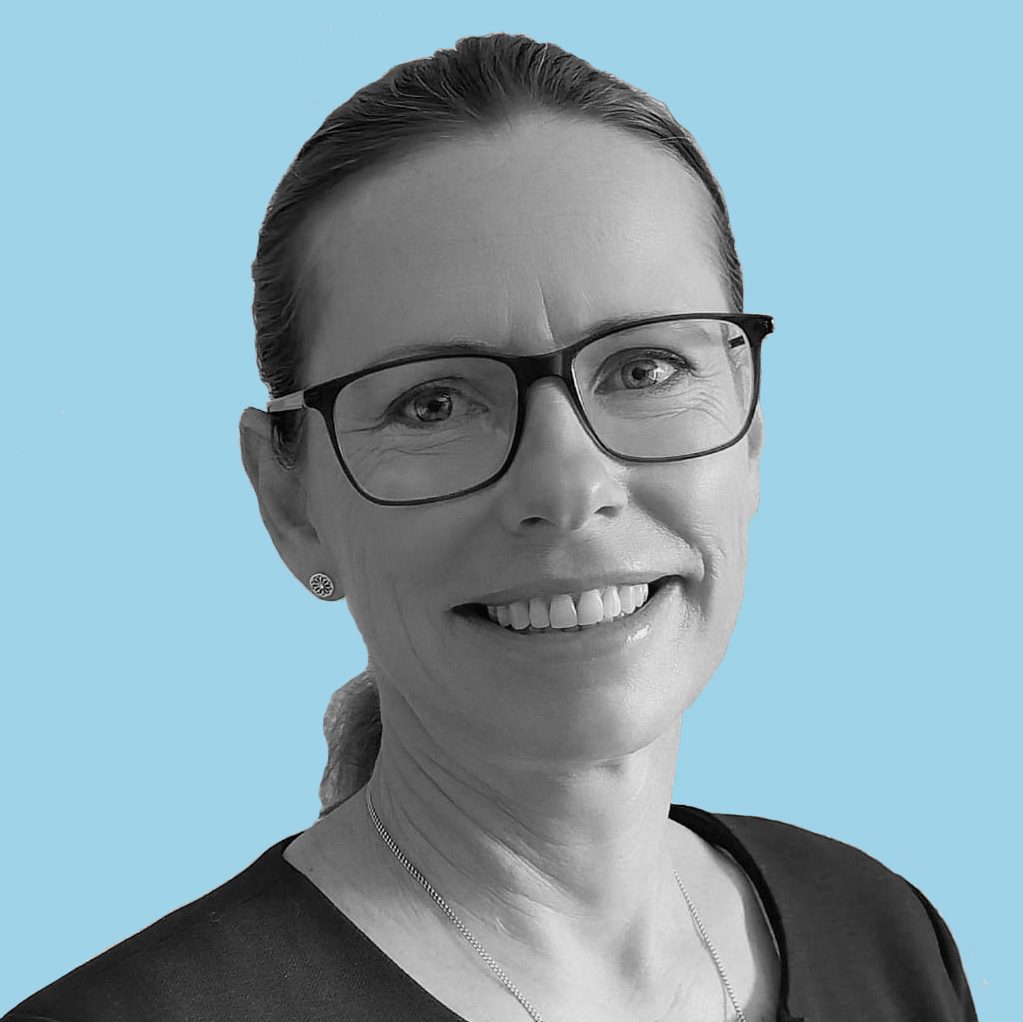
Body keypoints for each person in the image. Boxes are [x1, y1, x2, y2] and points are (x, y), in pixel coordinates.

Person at [2, 32, 977, 1022]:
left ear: (751, 428)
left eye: (644, 368)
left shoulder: (879, 930)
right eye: (432, 402)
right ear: (291, 504)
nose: (569, 487)